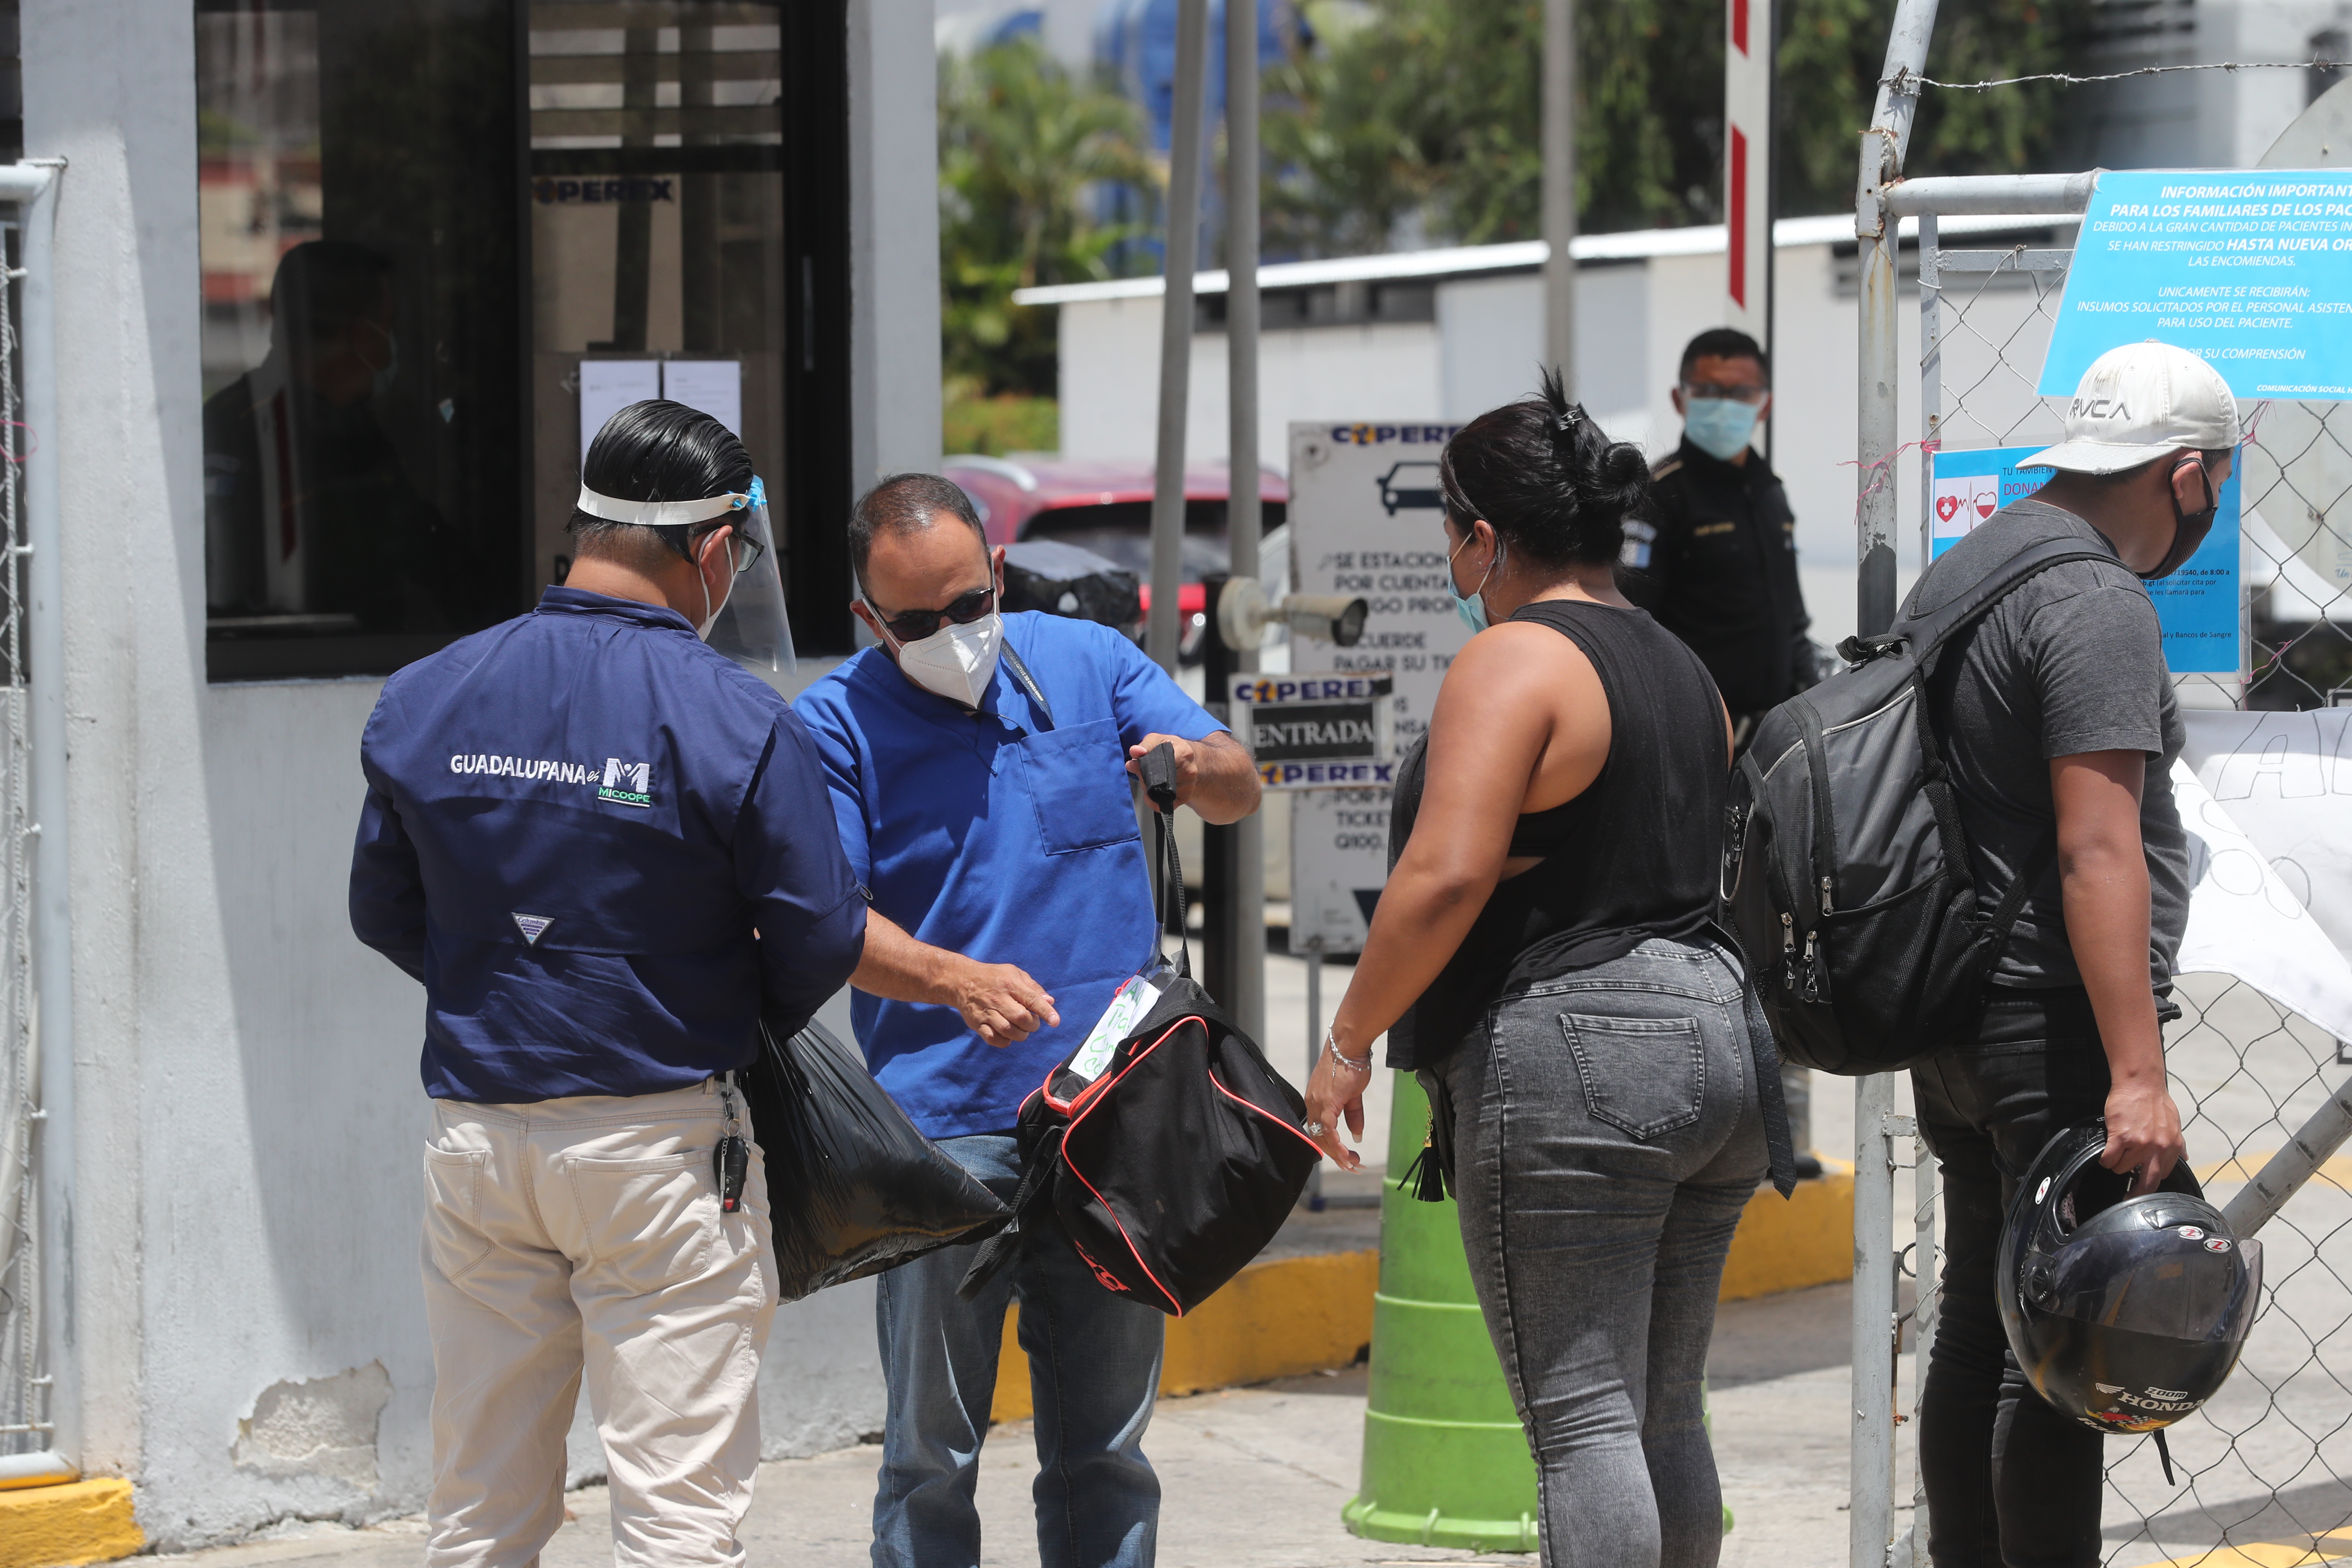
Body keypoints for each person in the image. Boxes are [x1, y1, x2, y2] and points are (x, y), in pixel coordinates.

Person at [349, 400, 867, 1568]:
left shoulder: (428, 695)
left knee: (481, 1509)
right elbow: (820, 938)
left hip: (479, 1145)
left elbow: (382, 909)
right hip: (661, 1150)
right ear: (716, 550)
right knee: (676, 1519)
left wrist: (508, 986)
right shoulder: (741, 718)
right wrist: (713, 1009)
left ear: (584, 524)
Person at [1302, 373, 1794, 1568]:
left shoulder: (1514, 662)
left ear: (1482, 539)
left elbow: (1445, 877)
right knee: (1663, 1408)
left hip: (1577, 1058)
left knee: (1582, 1423)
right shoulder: (1688, 674)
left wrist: (1346, 1042)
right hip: (1722, 1049)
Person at [791, 473, 1261, 1568]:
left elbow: (1238, 782)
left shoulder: (1087, 664)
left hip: (1113, 1124)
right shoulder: (835, 724)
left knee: (1107, 1453)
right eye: (917, 622)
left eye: (968, 606)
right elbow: (826, 923)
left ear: (996, 574)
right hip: (943, 1135)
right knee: (930, 1459)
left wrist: (1188, 768)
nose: (952, 635)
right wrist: (954, 979)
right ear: (870, 620)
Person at [1905, 340, 2214, 1568]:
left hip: (1961, 1012)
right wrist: (2135, 1072)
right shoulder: (2092, 598)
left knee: (1985, 1332)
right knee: (2070, 1354)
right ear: (2186, 474)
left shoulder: (1968, 568)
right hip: (2050, 1024)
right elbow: (2098, 848)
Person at [1623, 326, 1819, 1173]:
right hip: (1698, 753)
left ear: (1764, 403)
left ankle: (1773, 1127)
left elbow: (1793, 622)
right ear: (1679, 400)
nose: (1726, 408)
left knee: (1777, 931)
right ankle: (1686, 1116)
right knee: (1694, 931)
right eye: (1710, 393)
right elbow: (1633, 629)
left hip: (1775, 750)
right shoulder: (1660, 498)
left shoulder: (1768, 491)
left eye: (1742, 394)